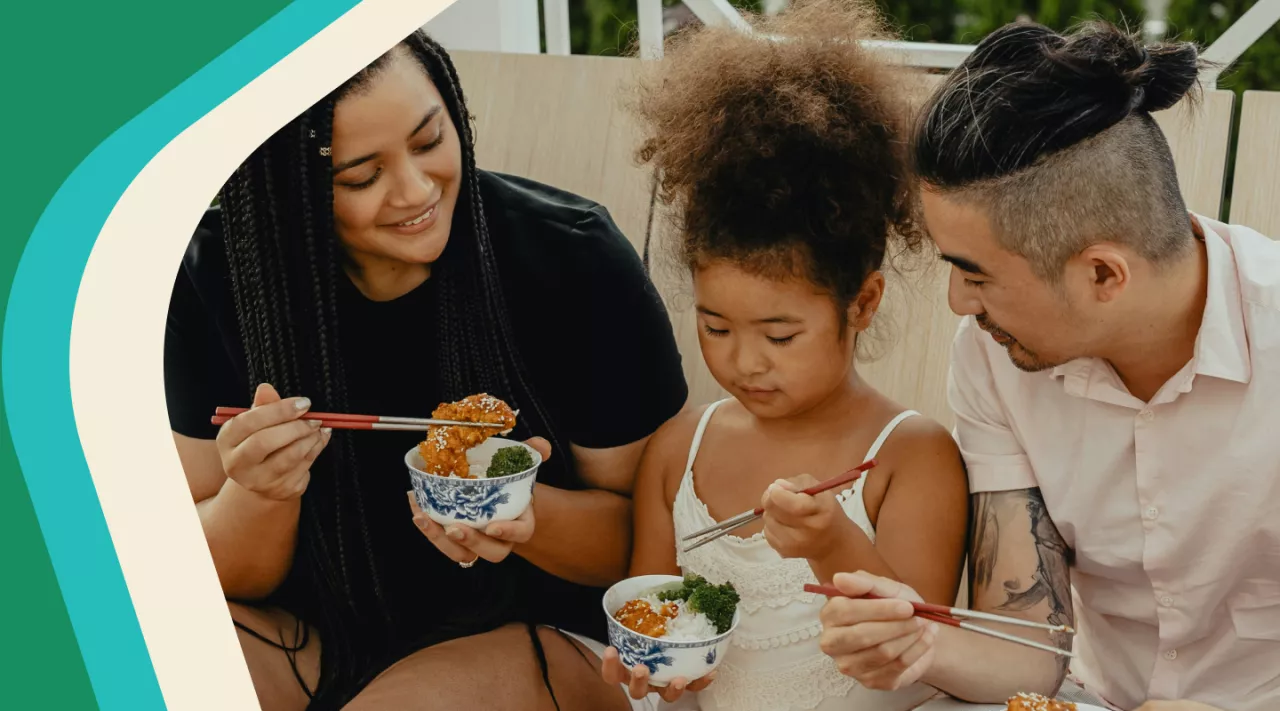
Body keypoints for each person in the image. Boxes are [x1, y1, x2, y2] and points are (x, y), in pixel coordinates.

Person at [163, 29, 690, 710]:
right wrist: (260, 492)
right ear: (286, 186)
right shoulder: (214, 277)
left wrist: (526, 513)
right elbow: (220, 576)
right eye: (361, 176)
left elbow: (657, 542)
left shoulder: (572, 257)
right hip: (321, 637)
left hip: (543, 634)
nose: (415, 191)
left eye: (430, 140)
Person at [815, 19, 1280, 711]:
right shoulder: (993, 355)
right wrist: (918, 640)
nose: (957, 301)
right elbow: (1026, 643)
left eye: (976, 274)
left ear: (1103, 274)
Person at [596, 2, 971, 709]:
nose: (745, 363)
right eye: (715, 326)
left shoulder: (910, 457)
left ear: (861, 303)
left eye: (779, 336)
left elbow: (918, 655)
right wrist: (654, 676)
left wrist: (830, 543)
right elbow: (652, 629)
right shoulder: (678, 453)